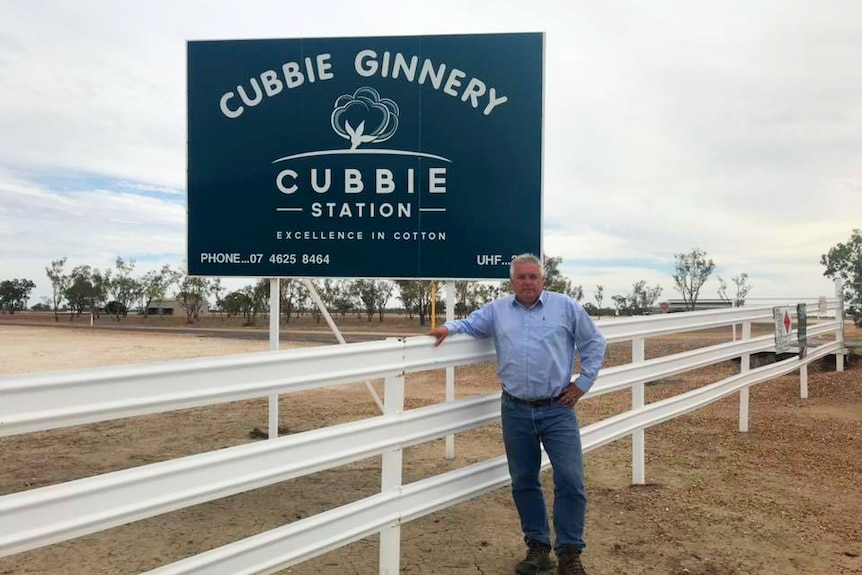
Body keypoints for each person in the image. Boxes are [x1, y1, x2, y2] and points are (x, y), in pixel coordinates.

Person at [427, 254, 606, 575]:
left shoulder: (566, 307)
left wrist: (583, 383)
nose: (527, 282)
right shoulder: (498, 311)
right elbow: (469, 323)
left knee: (570, 479)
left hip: (558, 408)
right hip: (515, 409)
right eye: (521, 277)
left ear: (543, 280)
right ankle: (538, 549)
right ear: (513, 281)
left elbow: (594, 343)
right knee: (524, 481)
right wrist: (446, 327)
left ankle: (569, 554)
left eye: (533, 277)